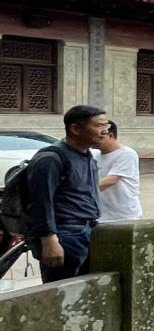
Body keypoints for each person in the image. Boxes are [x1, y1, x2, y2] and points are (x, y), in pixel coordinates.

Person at [23, 105, 107, 282]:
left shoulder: (87, 156)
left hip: (88, 231)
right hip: (65, 235)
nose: (104, 132)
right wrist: (49, 240)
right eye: (99, 126)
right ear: (75, 129)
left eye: (105, 126)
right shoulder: (51, 158)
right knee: (60, 293)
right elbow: (40, 202)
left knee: (86, 292)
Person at [95, 119, 142, 222]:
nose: (95, 141)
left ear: (110, 135)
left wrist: (83, 190)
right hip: (101, 215)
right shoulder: (94, 154)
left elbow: (111, 180)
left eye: (100, 138)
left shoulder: (126, 154)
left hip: (124, 216)